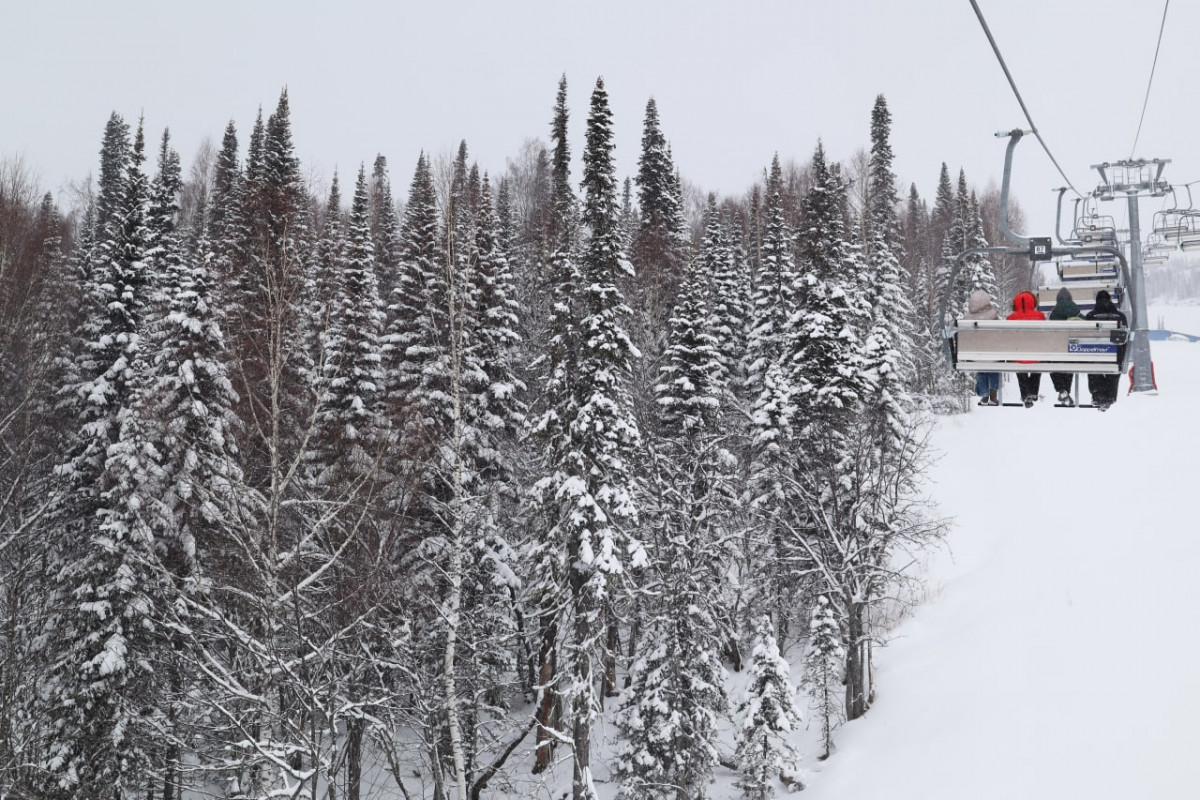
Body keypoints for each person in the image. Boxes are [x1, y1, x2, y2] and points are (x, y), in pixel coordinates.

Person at [1084, 289, 1128, 411]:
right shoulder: (1120, 316)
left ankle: (1098, 394)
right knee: (1115, 364)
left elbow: (1085, 338)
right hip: (1114, 358)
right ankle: (1109, 396)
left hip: (1095, 356)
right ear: (1110, 300)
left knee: (1093, 363)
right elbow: (1125, 340)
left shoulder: (1090, 316)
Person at [1007, 289, 1046, 407]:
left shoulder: (1011, 318)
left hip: (1018, 355)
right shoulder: (1040, 316)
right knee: (1036, 365)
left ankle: (1027, 394)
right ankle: (1033, 392)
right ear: (1033, 302)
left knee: (1020, 365)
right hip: (1036, 355)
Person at [963, 289, 1001, 406]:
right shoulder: (993, 314)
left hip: (975, 356)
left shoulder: (967, 317)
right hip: (992, 355)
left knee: (981, 365)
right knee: (993, 365)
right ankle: (993, 394)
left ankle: (984, 394)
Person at [1047, 287, 1083, 406]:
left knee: (1052, 363)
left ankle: (1062, 389)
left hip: (1056, 350)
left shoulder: (1053, 313)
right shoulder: (1077, 311)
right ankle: (1064, 390)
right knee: (1070, 362)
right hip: (1072, 350)